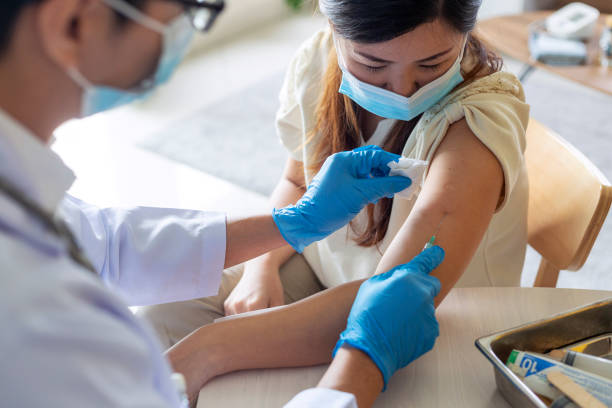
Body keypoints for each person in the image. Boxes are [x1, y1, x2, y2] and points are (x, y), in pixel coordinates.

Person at [0, 0, 445, 407]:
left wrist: (295, 221)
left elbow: (107, 245)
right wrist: (360, 368)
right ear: (72, 23)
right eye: (185, 11)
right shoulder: (27, 307)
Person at [138, 0, 530, 347]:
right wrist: (262, 269)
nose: (402, 89)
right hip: (321, 270)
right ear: (333, 27)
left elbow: (391, 301)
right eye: (372, 64)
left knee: (199, 356)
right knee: (155, 325)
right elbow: (297, 183)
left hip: (423, 318)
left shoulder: (475, 125)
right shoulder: (319, 61)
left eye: (432, 64)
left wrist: (210, 349)